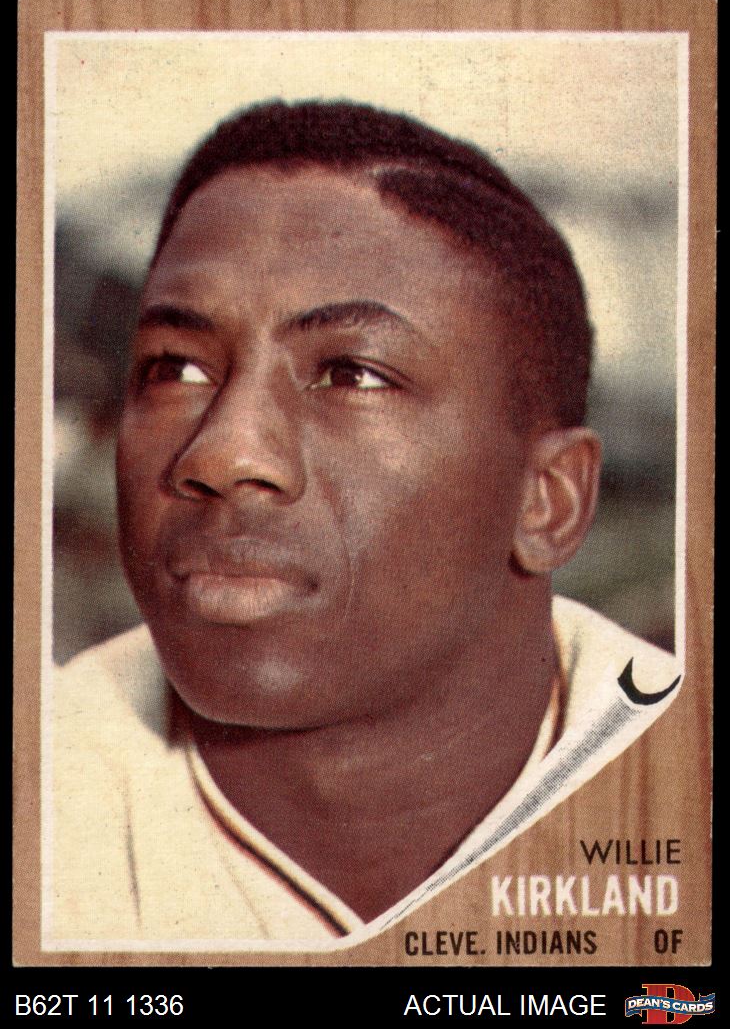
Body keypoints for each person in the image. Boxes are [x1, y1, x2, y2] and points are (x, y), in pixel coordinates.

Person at [48, 100, 680, 948]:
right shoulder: (46, 796)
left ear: (548, 501)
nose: (224, 453)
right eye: (176, 368)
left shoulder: (673, 790)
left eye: (351, 374)